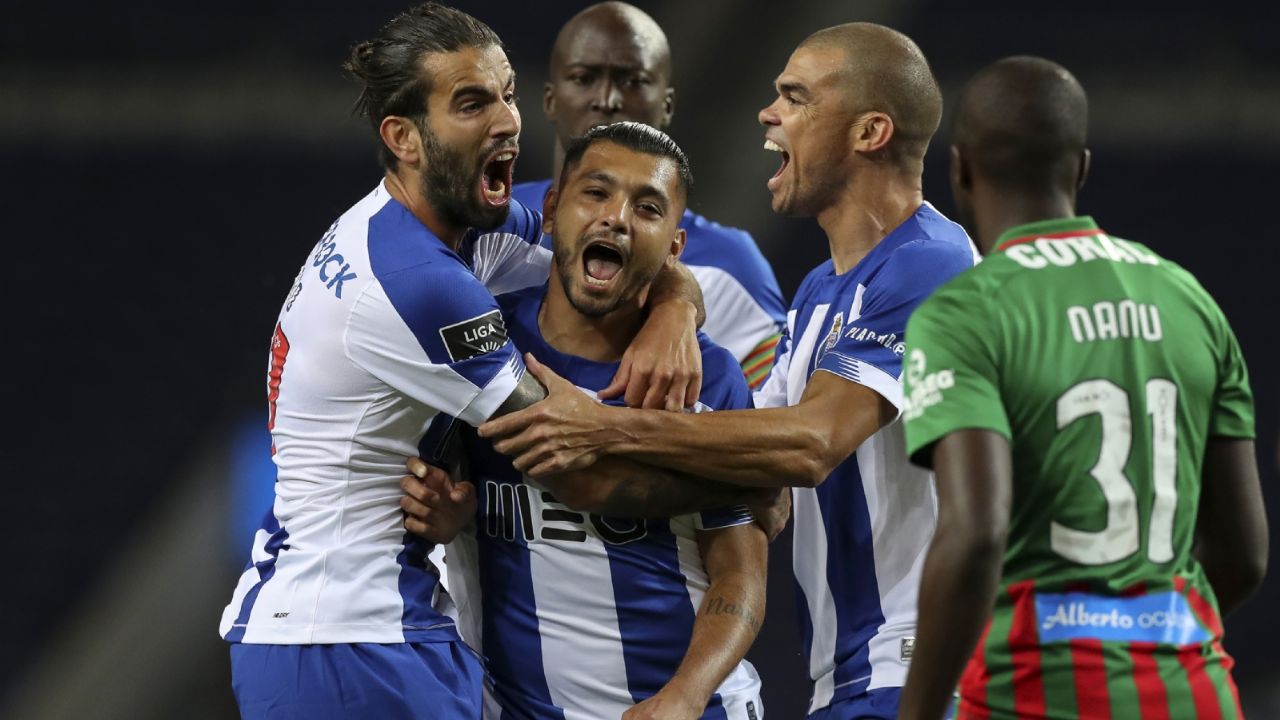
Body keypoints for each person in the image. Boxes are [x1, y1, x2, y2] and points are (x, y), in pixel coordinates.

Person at [217, 5, 707, 718]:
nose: (507, 121)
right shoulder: (418, 281)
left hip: (366, 626)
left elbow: (612, 247)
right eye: (472, 104)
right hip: (346, 644)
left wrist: (676, 306)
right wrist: (740, 488)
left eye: (508, 94)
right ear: (404, 138)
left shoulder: (449, 227)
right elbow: (583, 470)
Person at [476, 23, 977, 719]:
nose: (769, 114)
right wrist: (676, 303)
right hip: (853, 671)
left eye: (795, 97)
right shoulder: (820, 291)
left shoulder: (929, 260)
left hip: (916, 664)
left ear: (870, 132)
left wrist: (605, 428)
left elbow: (809, 445)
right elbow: (759, 470)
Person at [896, 56, 1268, 720]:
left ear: (961, 170)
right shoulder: (1190, 300)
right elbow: (1245, 554)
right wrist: (1148, 634)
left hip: (1037, 692)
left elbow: (976, 534)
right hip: (1194, 690)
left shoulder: (965, 314)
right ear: (1081, 168)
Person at [411, 121, 768, 719]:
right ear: (552, 212)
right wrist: (451, 515)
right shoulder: (484, 345)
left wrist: (686, 696)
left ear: (674, 248)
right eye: (596, 193)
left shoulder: (706, 379)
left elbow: (741, 576)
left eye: (647, 208)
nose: (616, 219)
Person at [514, 1, 787, 391]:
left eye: (633, 81)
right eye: (583, 78)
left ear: (667, 104)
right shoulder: (494, 224)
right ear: (550, 99)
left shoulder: (732, 269)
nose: (607, 98)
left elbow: (767, 414)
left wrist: (677, 307)